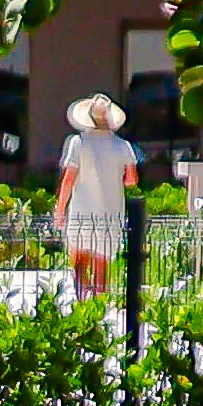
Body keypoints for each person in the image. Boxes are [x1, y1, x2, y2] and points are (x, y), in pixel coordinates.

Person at [52, 91, 139, 301]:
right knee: (102, 265)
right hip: (110, 213)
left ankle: (83, 305)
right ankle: (100, 307)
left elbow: (68, 179)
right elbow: (131, 180)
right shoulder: (123, 146)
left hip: (82, 212)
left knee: (79, 263)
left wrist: (60, 209)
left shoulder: (78, 143)